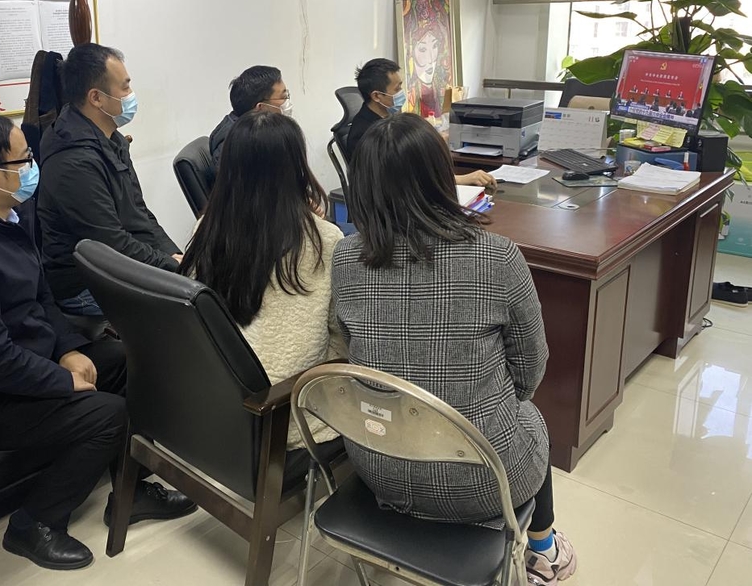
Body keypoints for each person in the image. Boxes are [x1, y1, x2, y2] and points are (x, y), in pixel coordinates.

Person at [0, 112, 194, 571]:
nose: (33, 166)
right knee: (109, 413)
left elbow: (41, 296)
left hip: (37, 358)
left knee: (129, 359)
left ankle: (132, 488)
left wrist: (69, 349)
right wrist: (61, 380)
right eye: (24, 159)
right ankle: (34, 523)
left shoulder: (9, 216)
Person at [332, 113, 577, 586]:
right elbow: (531, 368)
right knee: (531, 419)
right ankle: (544, 550)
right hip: (483, 478)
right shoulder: (497, 255)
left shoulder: (345, 259)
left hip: (376, 465)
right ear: (441, 178)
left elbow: (351, 347)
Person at [181, 111, 343, 448]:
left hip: (216, 404)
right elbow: (341, 332)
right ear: (295, 168)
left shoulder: (207, 227)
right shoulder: (324, 241)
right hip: (287, 412)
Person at [38, 43, 182, 330]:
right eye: (125, 87)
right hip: (85, 283)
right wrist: (172, 268)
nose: (131, 95)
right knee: (190, 311)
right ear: (96, 98)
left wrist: (174, 255)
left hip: (118, 262)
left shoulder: (111, 138)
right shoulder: (73, 161)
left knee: (202, 285)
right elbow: (110, 243)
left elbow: (139, 213)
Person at [346, 58, 494, 188]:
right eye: (397, 89)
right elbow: (399, 176)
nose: (401, 92)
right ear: (377, 96)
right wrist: (459, 180)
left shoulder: (386, 117)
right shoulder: (366, 133)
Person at [208, 65, 291, 167]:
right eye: (283, 97)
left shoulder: (238, 127)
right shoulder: (240, 146)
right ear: (260, 107)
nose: (287, 102)